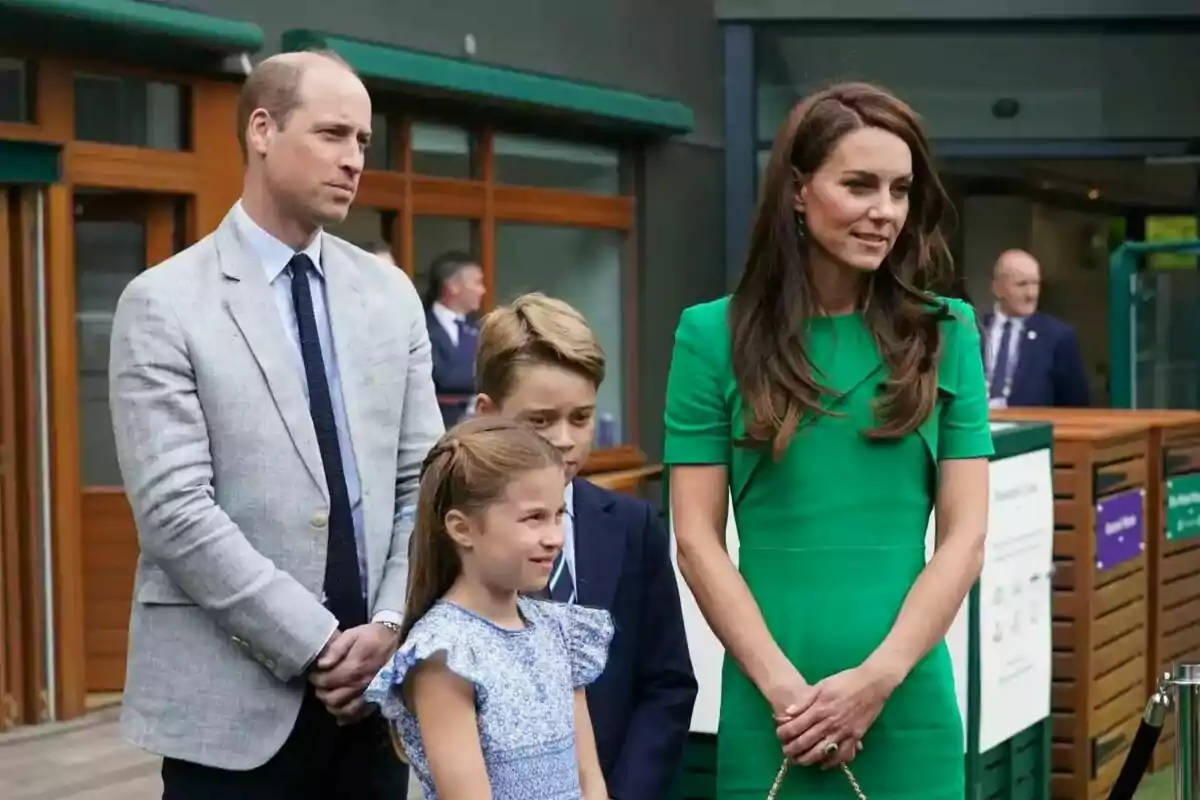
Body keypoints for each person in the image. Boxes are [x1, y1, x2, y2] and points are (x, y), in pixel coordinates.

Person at [108, 50, 443, 799]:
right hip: (231, 715)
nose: (355, 160)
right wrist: (322, 643)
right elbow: (175, 513)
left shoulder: (387, 296)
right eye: (332, 134)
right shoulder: (163, 303)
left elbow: (426, 480)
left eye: (362, 141)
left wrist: (389, 623)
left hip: (376, 700)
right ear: (262, 129)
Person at [663, 82, 991, 798]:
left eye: (901, 190)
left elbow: (965, 540)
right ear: (798, 192)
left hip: (907, 696)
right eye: (860, 185)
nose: (886, 211)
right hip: (771, 698)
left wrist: (878, 679)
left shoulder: (947, 332)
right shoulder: (708, 336)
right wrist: (788, 694)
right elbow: (695, 539)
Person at [472, 292, 698, 797]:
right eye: (540, 420)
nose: (565, 438)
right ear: (486, 412)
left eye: (581, 418)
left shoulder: (632, 525)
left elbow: (667, 682)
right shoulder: (459, 534)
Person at [365, 417, 613, 799]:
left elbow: (589, 779)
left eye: (558, 515)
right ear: (462, 529)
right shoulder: (446, 653)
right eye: (534, 518)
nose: (555, 538)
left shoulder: (560, 631)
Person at [984, 248, 1090, 407]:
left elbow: (1076, 404)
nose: (1031, 294)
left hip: (1031, 429)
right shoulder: (971, 330)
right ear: (997, 288)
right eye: (1021, 284)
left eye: (1035, 284)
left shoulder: (1058, 337)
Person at [423, 250, 487, 426]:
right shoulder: (420, 325)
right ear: (454, 286)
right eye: (477, 283)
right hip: (432, 423)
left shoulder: (482, 329)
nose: (483, 291)